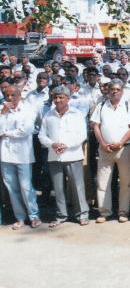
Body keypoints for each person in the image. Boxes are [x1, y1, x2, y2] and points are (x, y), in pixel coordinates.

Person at [38, 86, 89, 227]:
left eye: (61, 97)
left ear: (68, 98)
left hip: (73, 155)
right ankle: (61, 215)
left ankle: (82, 214)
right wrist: (52, 144)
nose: (58, 100)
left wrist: (66, 145)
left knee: (77, 187)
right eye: (55, 97)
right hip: (54, 156)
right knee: (58, 188)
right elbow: (42, 135)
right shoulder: (48, 115)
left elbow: (82, 135)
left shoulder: (76, 114)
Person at [90, 79, 130, 224]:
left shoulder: (129, 106)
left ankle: (123, 212)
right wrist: (103, 144)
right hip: (105, 150)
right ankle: (104, 212)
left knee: (125, 183)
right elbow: (96, 126)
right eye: (112, 89)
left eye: (117, 89)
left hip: (124, 149)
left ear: (122, 91)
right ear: (108, 90)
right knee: (103, 182)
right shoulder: (101, 105)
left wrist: (121, 143)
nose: (114, 91)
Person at [0, 86, 40, 229]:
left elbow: (25, 131)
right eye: (7, 96)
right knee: (12, 188)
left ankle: (34, 216)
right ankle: (20, 217)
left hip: (23, 155)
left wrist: (6, 133)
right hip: (5, 155)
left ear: (19, 95)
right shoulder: (2, 110)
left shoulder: (28, 110)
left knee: (26, 187)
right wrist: (3, 113)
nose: (10, 99)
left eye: (13, 95)